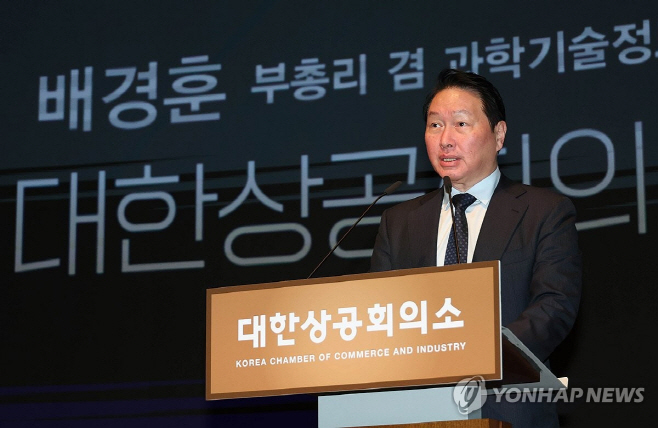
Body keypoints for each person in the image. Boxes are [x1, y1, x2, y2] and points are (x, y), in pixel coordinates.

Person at [370, 68, 582, 427]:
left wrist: (478, 354)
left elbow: (554, 305)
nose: (445, 140)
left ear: (498, 135)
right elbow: (378, 317)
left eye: (461, 124)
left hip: (507, 408)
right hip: (416, 411)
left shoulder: (543, 212)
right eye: (435, 125)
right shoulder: (399, 222)